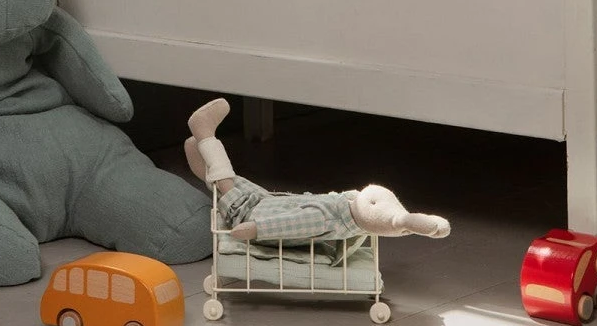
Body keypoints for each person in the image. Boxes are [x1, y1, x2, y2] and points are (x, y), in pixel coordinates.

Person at [184, 99, 450, 242]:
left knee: (229, 185)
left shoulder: (324, 219)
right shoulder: (343, 213)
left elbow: (288, 226)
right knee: (234, 181)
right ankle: (203, 155)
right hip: (266, 202)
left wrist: (254, 229)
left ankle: (205, 133)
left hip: (252, 213)